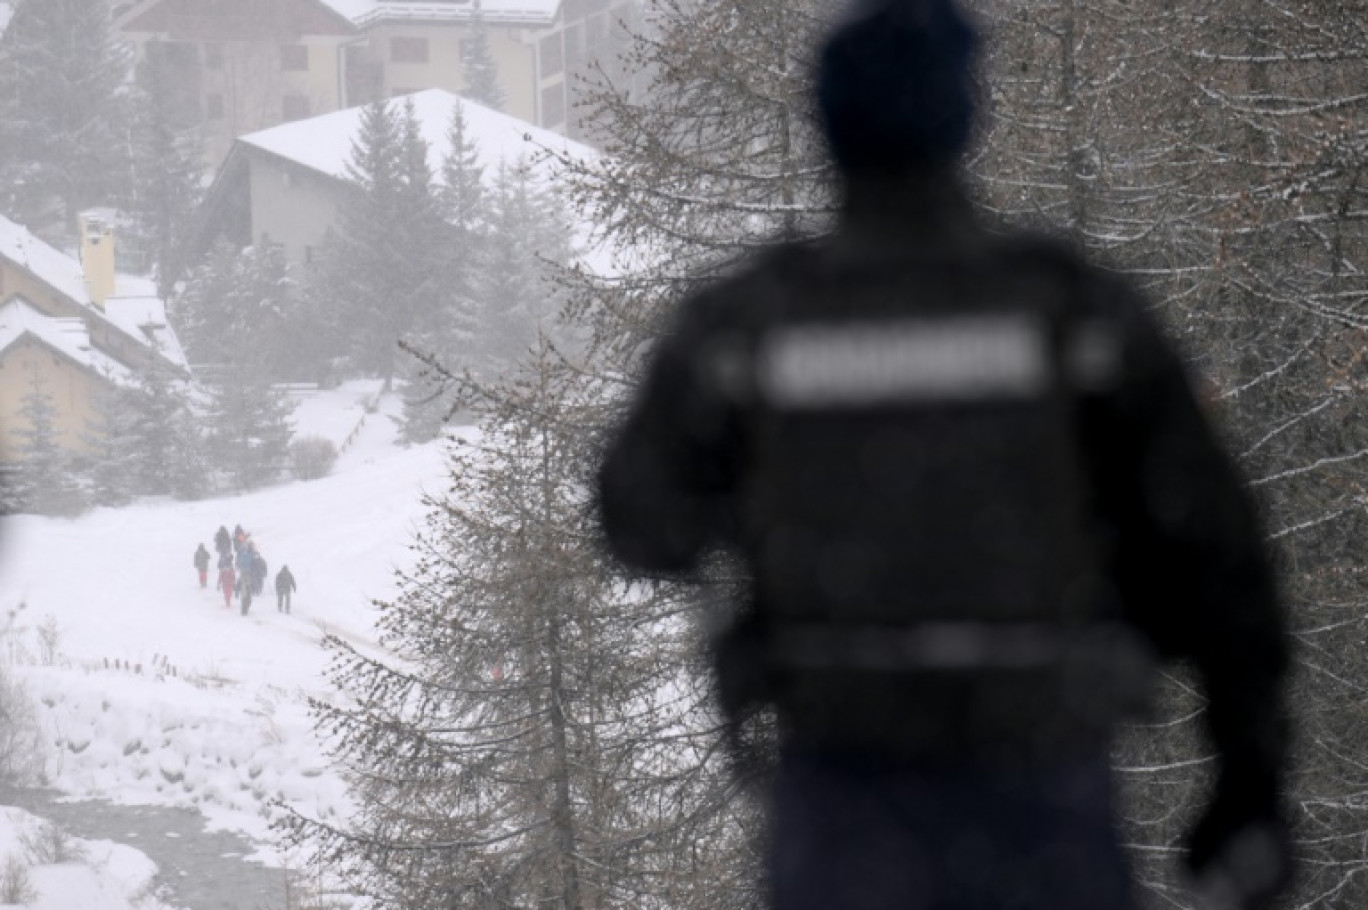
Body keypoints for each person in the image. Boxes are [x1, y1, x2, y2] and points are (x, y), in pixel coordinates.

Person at [595, 2, 1292, 910]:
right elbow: (1222, 559)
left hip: (841, 801)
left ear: (829, 126)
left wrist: (759, 496)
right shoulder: (1070, 312)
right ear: (965, 119)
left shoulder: (747, 326)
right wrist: (1250, 782)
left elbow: (638, 522)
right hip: (1043, 793)